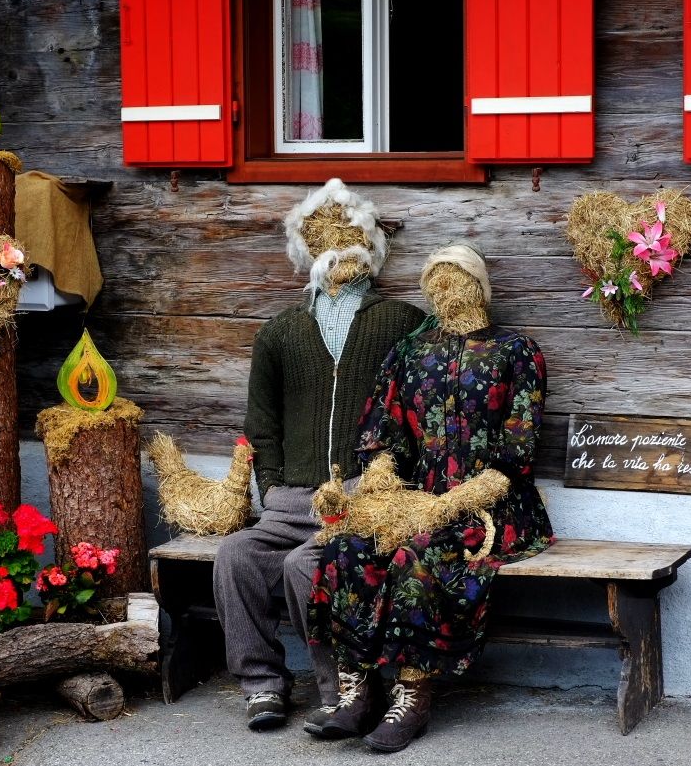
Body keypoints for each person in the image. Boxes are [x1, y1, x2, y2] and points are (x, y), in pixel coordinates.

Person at [308, 243, 554, 753]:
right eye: (434, 281)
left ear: (478, 287)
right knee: (346, 549)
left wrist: (449, 505)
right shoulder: (410, 352)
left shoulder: (516, 351)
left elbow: (517, 452)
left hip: (492, 506)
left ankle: (413, 694)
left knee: (418, 555)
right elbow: (384, 433)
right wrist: (379, 480)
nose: (444, 290)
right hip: (417, 498)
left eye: (455, 278)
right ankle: (358, 690)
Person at [213, 178, 425, 732]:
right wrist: (271, 487)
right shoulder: (280, 332)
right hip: (288, 504)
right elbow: (261, 424)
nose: (337, 250)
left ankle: (342, 693)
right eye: (322, 239)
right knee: (235, 556)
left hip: (360, 500)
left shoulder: (400, 322)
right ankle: (262, 685)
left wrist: (388, 484)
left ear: (369, 246)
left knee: (306, 566)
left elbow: (417, 414)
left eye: (348, 237)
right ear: (306, 249)